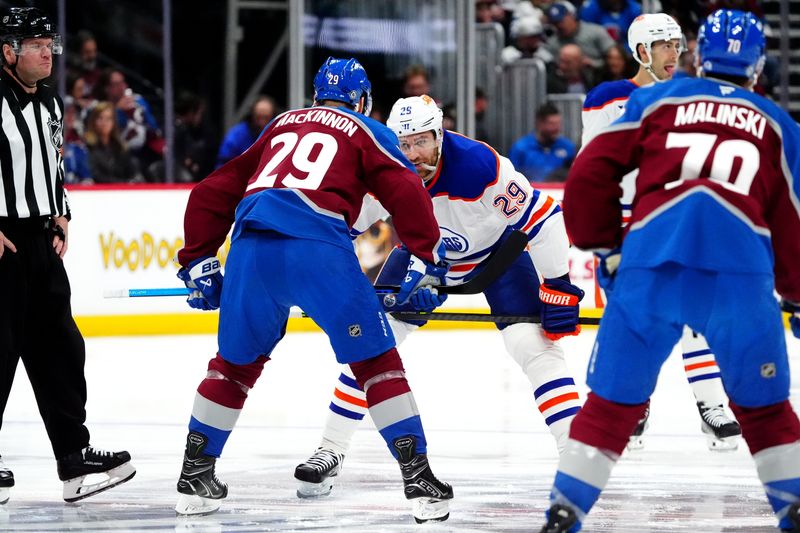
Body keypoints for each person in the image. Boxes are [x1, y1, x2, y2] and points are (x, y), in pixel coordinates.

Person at [539, 10, 800, 532]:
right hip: (738, 276)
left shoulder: (658, 100)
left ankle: (565, 512)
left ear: (701, 55)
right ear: (757, 67)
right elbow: (792, 216)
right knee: (767, 412)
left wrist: (604, 246)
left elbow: (590, 171)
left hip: (650, 265)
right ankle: (793, 509)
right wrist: (795, 291)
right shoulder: (779, 123)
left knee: (610, 408)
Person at [172, 57, 453, 523]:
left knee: (233, 367)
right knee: (376, 362)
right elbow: (405, 189)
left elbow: (211, 190)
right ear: (362, 100)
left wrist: (198, 260)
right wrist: (424, 257)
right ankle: (418, 478)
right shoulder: (366, 128)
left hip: (249, 247)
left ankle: (195, 473)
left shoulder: (281, 124)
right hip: (318, 246)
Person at [293, 94, 584, 499]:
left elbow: (545, 218)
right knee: (372, 347)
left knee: (532, 345)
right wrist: (317, 279)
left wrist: (558, 285)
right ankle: (331, 449)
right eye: (405, 144)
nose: (413, 154)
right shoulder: (383, 167)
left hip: (496, 258)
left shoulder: (480, 166)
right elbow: (341, 230)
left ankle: (575, 452)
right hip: (420, 256)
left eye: (422, 142)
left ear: (440, 135)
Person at [580, 12, 741, 452]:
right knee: (634, 323)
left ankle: (712, 407)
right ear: (641, 51)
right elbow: (594, 168)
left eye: (677, 44)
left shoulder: (689, 95)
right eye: (665, 44)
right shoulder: (609, 97)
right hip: (629, 225)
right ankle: (633, 404)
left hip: (679, 222)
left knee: (698, 317)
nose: (675, 53)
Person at [0, 7, 134, 505]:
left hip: (41, 241)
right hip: (3, 243)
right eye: (34, 43)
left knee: (60, 350)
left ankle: (73, 459)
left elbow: (53, 164)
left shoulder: (52, 103)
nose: (46, 52)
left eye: (48, 43)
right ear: (8, 50)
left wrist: (62, 212)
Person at [509, 102, 576, 183]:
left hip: (558, 193)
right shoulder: (520, 148)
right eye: (552, 124)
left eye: (558, 123)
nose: (557, 128)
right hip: (531, 193)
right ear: (540, 123)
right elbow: (512, 178)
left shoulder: (568, 147)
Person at [544, 1, 615, 69]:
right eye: (555, 23)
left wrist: (594, 64)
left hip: (600, 75)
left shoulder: (595, 31)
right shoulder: (552, 43)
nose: (559, 26)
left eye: (562, 21)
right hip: (568, 79)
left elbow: (616, 57)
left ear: (571, 16)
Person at [84, 102, 143, 184]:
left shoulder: (121, 147)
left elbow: (131, 172)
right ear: (93, 121)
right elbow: (96, 176)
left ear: (113, 123)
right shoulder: (87, 147)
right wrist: (124, 183)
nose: (104, 123)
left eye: (108, 118)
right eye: (100, 118)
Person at [215, 95, 276, 168]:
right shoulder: (237, 135)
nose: (262, 122)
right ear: (252, 115)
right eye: (258, 117)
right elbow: (223, 164)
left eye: (266, 117)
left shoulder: (278, 133)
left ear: (272, 116)